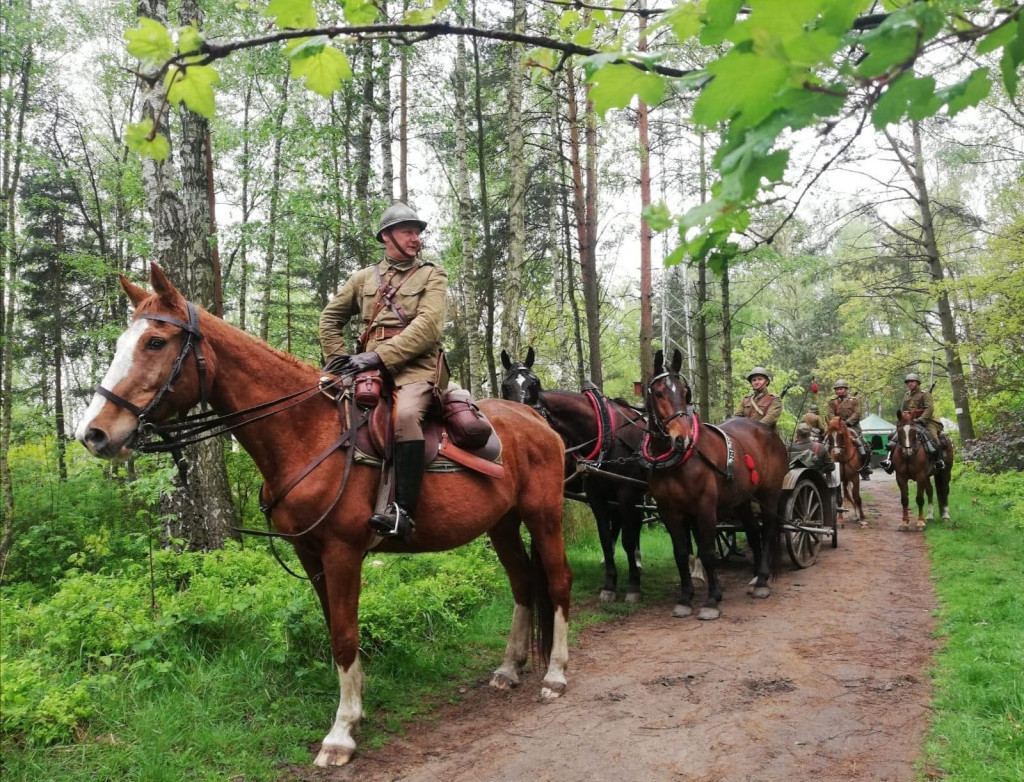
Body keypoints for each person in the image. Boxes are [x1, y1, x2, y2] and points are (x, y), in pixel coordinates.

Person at [319, 203, 447, 539]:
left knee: (405, 416)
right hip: (365, 371)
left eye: (417, 232)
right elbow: (330, 319)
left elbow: (429, 326)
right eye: (407, 231)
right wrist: (339, 361)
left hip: (415, 369)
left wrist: (379, 357)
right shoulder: (363, 278)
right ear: (386, 236)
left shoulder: (432, 274)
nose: (415, 238)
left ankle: (403, 512)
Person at [880, 373, 946, 474]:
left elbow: (930, 409)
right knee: (893, 436)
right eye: (908, 382)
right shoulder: (906, 395)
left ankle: (938, 461)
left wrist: (920, 419)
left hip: (926, 422)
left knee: (933, 437)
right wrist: (905, 420)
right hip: (910, 422)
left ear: (917, 383)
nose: (909, 384)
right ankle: (889, 461)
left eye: (912, 382)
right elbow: (904, 411)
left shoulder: (925, 394)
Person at [826, 380, 872, 480]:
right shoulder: (832, 401)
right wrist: (837, 422)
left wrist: (846, 423)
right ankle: (826, 468)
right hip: (836, 427)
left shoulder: (854, 400)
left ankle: (865, 468)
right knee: (825, 443)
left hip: (852, 427)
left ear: (846, 389)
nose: (839, 391)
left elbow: (857, 413)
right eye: (837, 389)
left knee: (863, 445)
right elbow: (829, 414)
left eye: (841, 389)